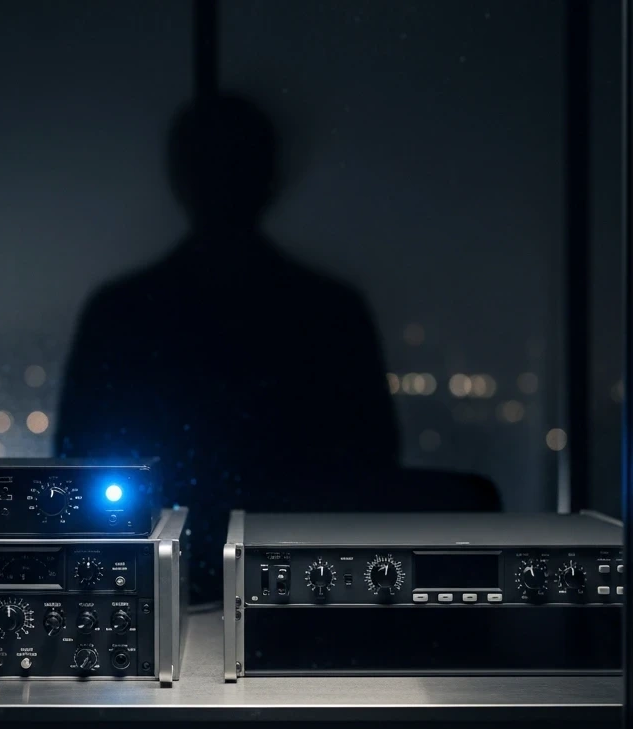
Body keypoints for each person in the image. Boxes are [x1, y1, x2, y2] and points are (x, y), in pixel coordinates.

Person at [57, 94, 399, 601]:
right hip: (301, 591)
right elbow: (372, 467)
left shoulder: (122, 312)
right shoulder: (330, 313)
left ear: (177, 176)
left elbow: (77, 463)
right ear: (272, 176)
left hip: (157, 584)